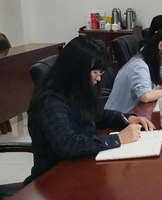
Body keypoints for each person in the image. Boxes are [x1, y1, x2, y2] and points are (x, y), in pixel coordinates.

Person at [25, 36, 154, 184]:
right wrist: (118, 139)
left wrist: (127, 118)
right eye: (95, 73)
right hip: (53, 180)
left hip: (80, 168)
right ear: (76, 70)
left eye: (100, 73)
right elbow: (67, 144)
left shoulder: (76, 89)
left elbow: (98, 115)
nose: (98, 79)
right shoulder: (50, 100)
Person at [105, 30, 162, 113]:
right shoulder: (139, 65)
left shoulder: (150, 62)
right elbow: (145, 96)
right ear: (161, 45)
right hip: (118, 116)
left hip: (135, 112)